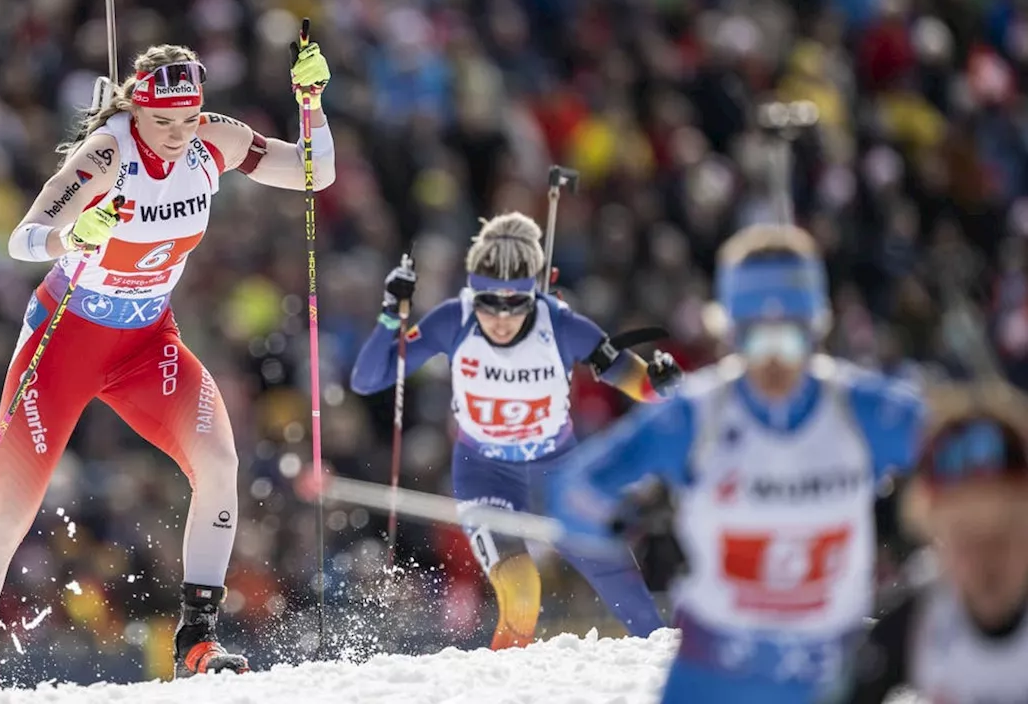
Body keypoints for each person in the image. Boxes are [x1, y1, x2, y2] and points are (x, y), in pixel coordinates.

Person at [0, 40, 335, 693]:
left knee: (220, 465)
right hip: (65, 342)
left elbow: (315, 173)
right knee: (6, 515)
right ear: (137, 108)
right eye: (162, 121)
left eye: (187, 118)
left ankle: (198, 638)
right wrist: (71, 234)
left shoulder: (213, 140)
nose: (176, 135)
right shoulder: (109, 154)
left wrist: (311, 103)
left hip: (146, 342)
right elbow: (23, 236)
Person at [550, 223, 925, 703]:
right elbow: (573, 488)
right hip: (712, 679)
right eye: (753, 341)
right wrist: (609, 517)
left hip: (827, 680)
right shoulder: (695, 416)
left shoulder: (862, 411)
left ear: (816, 328)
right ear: (729, 332)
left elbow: (980, 451)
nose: (772, 362)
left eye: (788, 341)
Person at [349, 212, 683, 649]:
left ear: (533, 295)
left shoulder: (561, 325)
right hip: (486, 476)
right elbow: (367, 379)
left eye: (514, 304)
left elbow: (637, 382)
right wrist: (391, 315)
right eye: (489, 302)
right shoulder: (454, 321)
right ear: (473, 291)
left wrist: (659, 381)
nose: (501, 318)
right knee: (522, 595)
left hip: (557, 474)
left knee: (630, 596)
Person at [821, 381, 1028, 704]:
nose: (987, 560)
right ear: (934, 538)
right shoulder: (919, 622)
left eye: (1003, 534)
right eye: (964, 537)